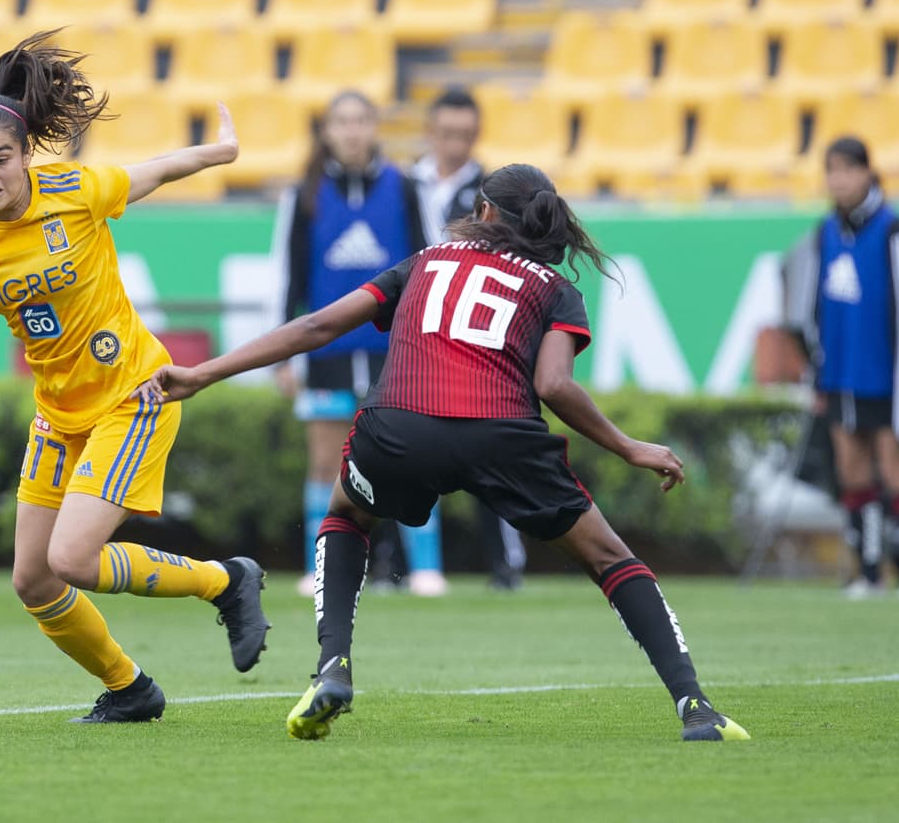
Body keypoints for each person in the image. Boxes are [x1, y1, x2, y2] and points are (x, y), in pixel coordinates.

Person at [138, 163, 750, 743]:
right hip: (501, 434)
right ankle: (695, 706)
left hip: (401, 426)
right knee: (608, 557)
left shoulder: (426, 262)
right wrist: (629, 448)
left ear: (483, 210)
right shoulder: (555, 288)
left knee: (345, 517)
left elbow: (315, 327)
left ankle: (332, 668)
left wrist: (205, 373)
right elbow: (555, 386)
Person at [0, 30, 270, 723]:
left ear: (24, 156)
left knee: (74, 559)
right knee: (33, 578)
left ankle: (226, 580)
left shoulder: (75, 191)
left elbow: (155, 171)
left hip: (136, 394)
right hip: (59, 411)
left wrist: (219, 152)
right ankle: (129, 687)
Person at [275, 88, 447, 597]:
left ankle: (426, 568)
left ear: (375, 127)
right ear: (327, 131)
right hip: (327, 352)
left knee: (411, 455)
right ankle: (321, 565)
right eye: (341, 121)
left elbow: (431, 266)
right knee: (326, 462)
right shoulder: (302, 194)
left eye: (360, 121)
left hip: (396, 350)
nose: (351, 131)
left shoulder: (409, 187)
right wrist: (285, 356)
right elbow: (289, 278)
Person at [786, 136, 899, 600]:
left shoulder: (897, 235)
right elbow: (811, 311)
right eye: (831, 171)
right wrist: (817, 372)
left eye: (847, 170)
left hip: (888, 380)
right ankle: (869, 572)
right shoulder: (825, 233)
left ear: (868, 173)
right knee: (853, 472)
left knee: (898, 469)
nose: (838, 180)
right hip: (841, 378)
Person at [412, 86, 527, 591]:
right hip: (417, 328)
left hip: (473, 332)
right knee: (403, 448)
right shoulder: (402, 183)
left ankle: (504, 563)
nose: (454, 143)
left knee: (488, 447)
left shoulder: (492, 191)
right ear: (430, 131)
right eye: (446, 133)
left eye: (464, 134)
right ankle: (404, 567)